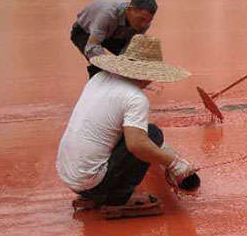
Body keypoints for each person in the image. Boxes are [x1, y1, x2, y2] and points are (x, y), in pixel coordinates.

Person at [57, 35, 198, 218]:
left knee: (141, 132)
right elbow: (136, 145)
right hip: (91, 182)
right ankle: (117, 198)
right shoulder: (135, 99)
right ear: (150, 74)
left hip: (71, 176)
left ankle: (99, 193)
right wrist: (174, 163)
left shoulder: (99, 78)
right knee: (152, 135)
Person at [71, 0, 158, 78]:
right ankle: (97, 87)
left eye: (148, 20)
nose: (143, 25)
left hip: (114, 34)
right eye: (141, 19)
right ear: (130, 10)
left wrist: (126, 66)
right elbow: (92, 46)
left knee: (136, 60)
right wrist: (112, 67)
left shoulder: (144, 23)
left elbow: (130, 49)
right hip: (85, 32)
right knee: (99, 68)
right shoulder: (107, 14)